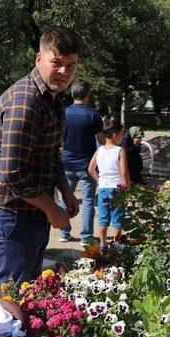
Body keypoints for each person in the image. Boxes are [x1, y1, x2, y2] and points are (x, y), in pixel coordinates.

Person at [0, 27, 84, 293]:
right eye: (56, 63)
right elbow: (14, 173)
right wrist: (53, 210)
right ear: (39, 59)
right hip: (11, 216)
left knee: (28, 292)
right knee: (11, 302)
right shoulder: (26, 101)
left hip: (29, 213)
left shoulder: (53, 99)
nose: (64, 72)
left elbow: (51, 154)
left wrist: (66, 191)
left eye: (70, 66)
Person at [59, 80, 105, 245]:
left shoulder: (64, 113)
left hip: (67, 164)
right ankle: (86, 237)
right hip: (88, 165)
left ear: (72, 94)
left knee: (65, 199)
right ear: (88, 95)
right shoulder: (93, 114)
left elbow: (59, 138)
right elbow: (101, 140)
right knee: (87, 202)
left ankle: (64, 233)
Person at [88, 120, 130, 248]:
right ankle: (116, 245)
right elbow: (124, 172)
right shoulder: (119, 150)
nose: (123, 137)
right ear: (115, 135)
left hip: (103, 188)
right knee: (117, 219)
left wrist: (99, 180)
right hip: (117, 188)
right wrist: (127, 185)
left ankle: (102, 245)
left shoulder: (99, 150)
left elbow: (91, 168)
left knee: (103, 218)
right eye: (122, 134)